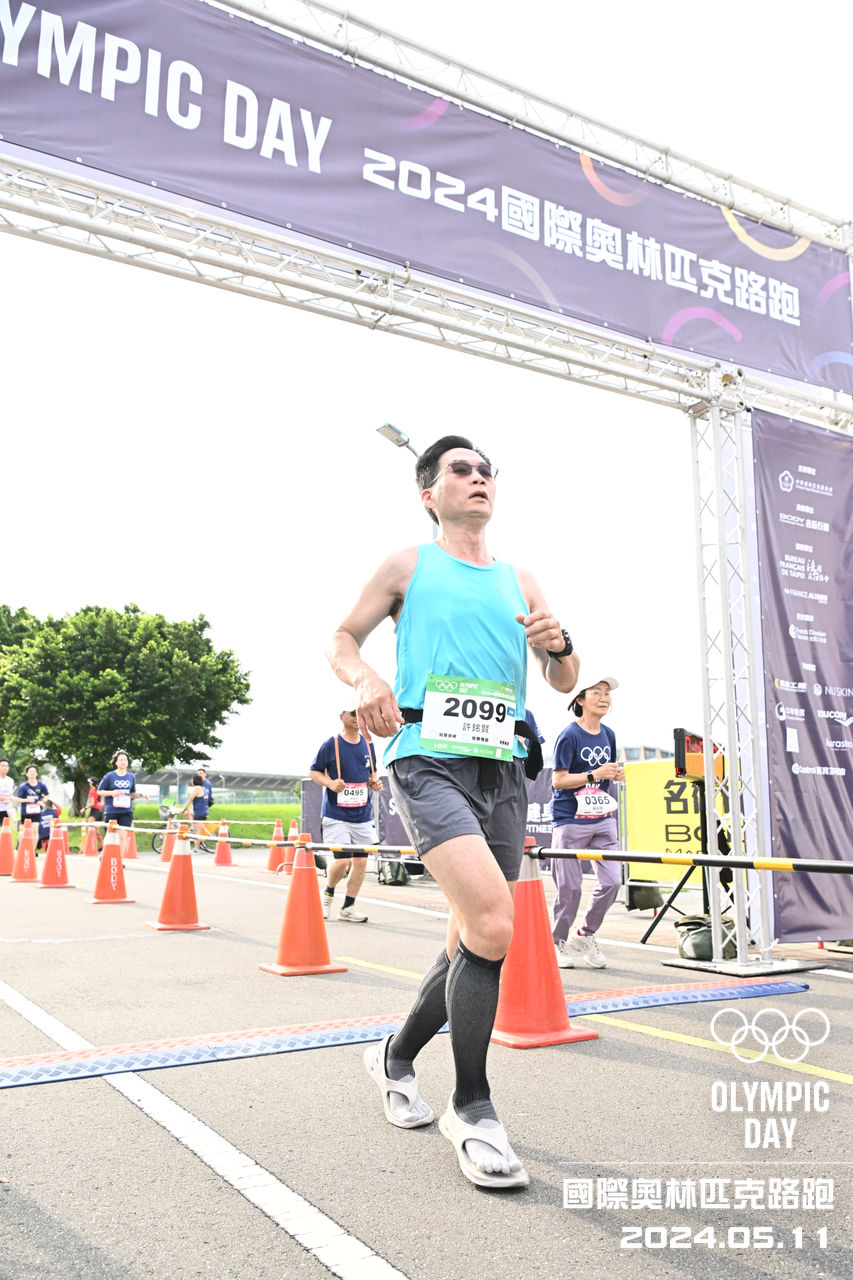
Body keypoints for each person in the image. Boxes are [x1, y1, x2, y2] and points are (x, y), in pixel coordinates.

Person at [325, 434, 578, 1190]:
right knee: (496, 923)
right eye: (460, 470)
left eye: (485, 471)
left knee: (471, 934)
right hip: (426, 757)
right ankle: (471, 1108)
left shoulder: (519, 578)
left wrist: (560, 642)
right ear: (429, 494)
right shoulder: (409, 565)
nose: (477, 478)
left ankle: (394, 1056)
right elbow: (341, 637)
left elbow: (562, 677)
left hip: (502, 769)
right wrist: (365, 677)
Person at [551, 676, 625, 970]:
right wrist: (595, 774)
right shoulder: (569, 736)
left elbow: (608, 771)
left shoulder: (609, 734)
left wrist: (614, 774)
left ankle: (585, 934)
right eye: (597, 692)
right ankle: (557, 941)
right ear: (580, 699)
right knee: (569, 888)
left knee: (612, 882)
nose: (604, 697)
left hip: (603, 819)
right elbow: (558, 780)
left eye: (607, 693)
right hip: (570, 819)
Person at [309, 710, 383, 922]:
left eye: (360, 714)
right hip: (337, 814)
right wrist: (330, 783)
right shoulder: (331, 744)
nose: (357, 718)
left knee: (361, 862)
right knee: (342, 862)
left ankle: (348, 907)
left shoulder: (368, 744)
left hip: (362, 815)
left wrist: (375, 783)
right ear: (342, 717)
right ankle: (328, 894)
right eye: (352, 714)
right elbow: (314, 771)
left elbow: (372, 773)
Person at [97, 749, 139, 829]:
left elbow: (132, 793)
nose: (123, 762)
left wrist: (142, 795)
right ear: (116, 762)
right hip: (112, 811)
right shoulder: (109, 776)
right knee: (111, 835)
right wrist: (112, 793)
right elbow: (99, 791)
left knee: (123, 834)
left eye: (125, 760)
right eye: (121, 760)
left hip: (126, 811)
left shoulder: (131, 776)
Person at [16, 764, 49, 839]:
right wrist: (26, 800)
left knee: (35, 829)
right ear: (26, 774)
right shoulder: (23, 786)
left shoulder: (41, 785)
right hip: (25, 811)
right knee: (24, 831)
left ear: (36, 773)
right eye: (30, 771)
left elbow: (47, 795)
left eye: (34, 771)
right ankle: (21, 845)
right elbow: (17, 799)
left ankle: (34, 846)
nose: (32, 773)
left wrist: (42, 801)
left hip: (36, 811)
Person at [181, 771, 210, 848]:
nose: (191, 782)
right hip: (202, 811)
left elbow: (190, 799)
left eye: (192, 780)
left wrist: (183, 809)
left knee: (198, 831)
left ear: (195, 781)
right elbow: (200, 801)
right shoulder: (203, 788)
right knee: (187, 813)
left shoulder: (197, 788)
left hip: (200, 813)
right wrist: (188, 809)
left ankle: (196, 849)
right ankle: (192, 827)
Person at [0, 757, 17, 830]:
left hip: (6, 809)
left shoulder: (10, 780)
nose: (5, 768)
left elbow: (11, 794)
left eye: (7, 766)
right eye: (3, 766)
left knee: (6, 829)